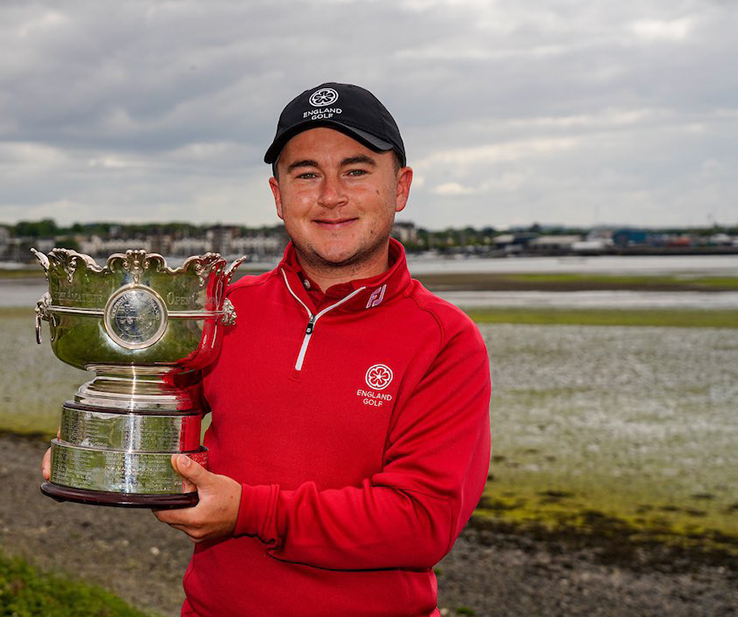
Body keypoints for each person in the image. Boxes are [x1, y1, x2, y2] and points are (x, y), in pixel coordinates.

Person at [45, 82, 491, 617]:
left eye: (356, 170)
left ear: (401, 187)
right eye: (306, 174)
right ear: (278, 196)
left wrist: (250, 512)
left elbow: (422, 523)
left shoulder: (445, 338)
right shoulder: (222, 311)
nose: (330, 195)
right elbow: (152, 409)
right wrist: (96, 449)